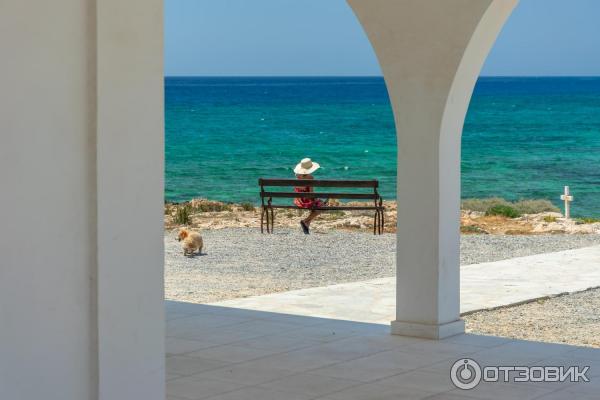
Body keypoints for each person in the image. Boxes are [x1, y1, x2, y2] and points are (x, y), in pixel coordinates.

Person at [293, 158, 327, 234]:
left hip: (298, 200)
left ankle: (307, 223)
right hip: (307, 201)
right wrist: (316, 199)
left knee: (319, 204)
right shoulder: (310, 178)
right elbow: (311, 193)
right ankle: (305, 221)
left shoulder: (297, 177)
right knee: (323, 206)